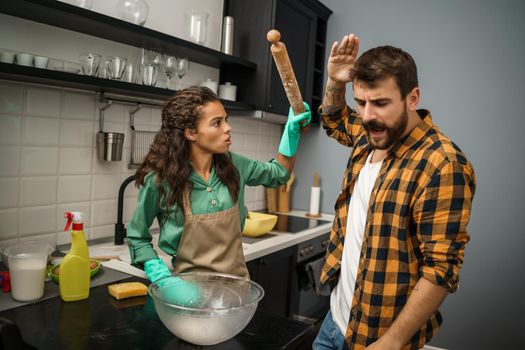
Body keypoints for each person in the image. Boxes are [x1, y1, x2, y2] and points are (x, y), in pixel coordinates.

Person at [313, 34, 476, 350]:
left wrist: (389, 343)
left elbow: (440, 272)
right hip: (334, 324)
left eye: (381, 103)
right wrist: (335, 80)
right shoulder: (371, 133)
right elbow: (333, 119)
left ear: (412, 98)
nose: (368, 115)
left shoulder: (442, 164)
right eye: (361, 102)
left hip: (379, 339)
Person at [127, 86, 311, 285]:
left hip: (236, 289)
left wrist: (291, 133)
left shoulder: (235, 165)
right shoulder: (160, 180)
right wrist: (157, 270)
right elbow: (137, 236)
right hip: (189, 292)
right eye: (217, 123)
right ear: (190, 133)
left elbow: (279, 174)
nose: (228, 128)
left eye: (226, 120)